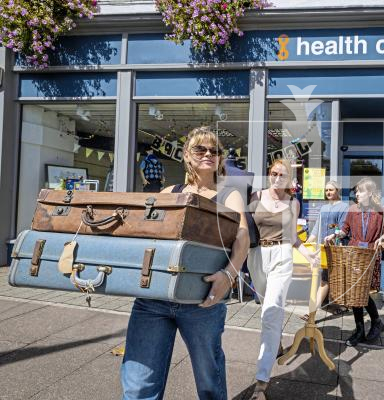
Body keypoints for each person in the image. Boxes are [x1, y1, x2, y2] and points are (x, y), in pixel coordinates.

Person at [121, 127, 249, 400]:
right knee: (138, 384)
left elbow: (242, 237)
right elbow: (150, 234)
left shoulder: (230, 194)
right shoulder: (170, 191)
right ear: (186, 156)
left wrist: (229, 274)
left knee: (209, 382)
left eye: (214, 151)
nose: (208, 155)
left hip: (202, 301)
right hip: (152, 298)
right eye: (200, 149)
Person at [247, 159, 317, 400]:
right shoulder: (255, 196)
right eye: (274, 173)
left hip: (282, 256)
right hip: (256, 256)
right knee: (266, 308)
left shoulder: (293, 203)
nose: (277, 178)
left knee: (272, 311)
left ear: (289, 179)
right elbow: (243, 230)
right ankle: (275, 343)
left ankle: (261, 381)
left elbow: (293, 237)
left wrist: (309, 255)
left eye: (282, 175)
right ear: (269, 175)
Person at [324, 178, 384, 347]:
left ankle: (374, 322)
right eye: (357, 191)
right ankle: (362, 328)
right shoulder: (352, 209)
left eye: (360, 191)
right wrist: (334, 235)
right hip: (354, 255)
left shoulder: (381, 211)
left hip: (369, 255)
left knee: (363, 292)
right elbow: (344, 229)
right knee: (356, 291)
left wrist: (382, 238)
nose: (357, 194)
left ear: (370, 193)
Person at [300, 180, 349, 321]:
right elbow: (317, 228)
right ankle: (333, 305)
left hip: (335, 249)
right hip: (322, 249)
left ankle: (312, 313)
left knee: (327, 280)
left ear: (337, 191)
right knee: (325, 279)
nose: (328, 193)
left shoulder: (344, 207)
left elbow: (341, 228)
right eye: (326, 190)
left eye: (331, 190)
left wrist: (334, 236)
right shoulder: (323, 208)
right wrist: (307, 243)